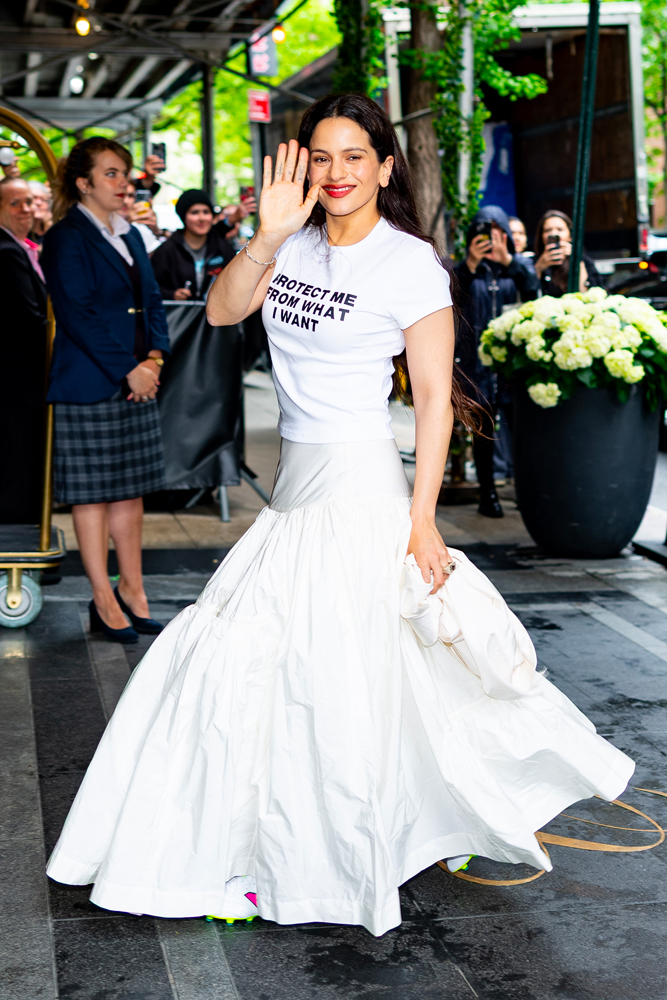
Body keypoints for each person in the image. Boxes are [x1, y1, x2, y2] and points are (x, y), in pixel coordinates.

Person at [46, 95, 633, 937]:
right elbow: (219, 314)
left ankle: (360, 840)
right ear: (302, 166)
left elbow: (432, 400)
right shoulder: (291, 245)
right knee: (274, 666)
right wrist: (267, 236)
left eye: (355, 156)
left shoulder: (408, 265)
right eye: (321, 156)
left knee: (337, 673)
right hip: (295, 490)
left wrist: (423, 518)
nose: (337, 173)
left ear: (385, 167)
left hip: (360, 485)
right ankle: (318, 829)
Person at [42, 136, 171, 644]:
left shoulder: (132, 235)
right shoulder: (65, 237)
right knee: (92, 499)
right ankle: (102, 599)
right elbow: (78, 315)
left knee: (129, 495)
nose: (125, 183)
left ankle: (134, 592)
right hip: (90, 382)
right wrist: (129, 370)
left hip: (137, 376)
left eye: (126, 173)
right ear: (84, 183)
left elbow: (154, 300)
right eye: (113, 174)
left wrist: (156, 356)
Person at [455, 205, 539, 517]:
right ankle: (487, 493)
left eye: (495, 233)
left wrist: (509, 261)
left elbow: (535, 296)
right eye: (482, 232)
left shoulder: (517, 269)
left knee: (520, 429)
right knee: (483, 430)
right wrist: (471, 264)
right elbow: (453, 302)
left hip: (511, 366)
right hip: (475, 365)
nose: (489, 239)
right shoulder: (464, 270)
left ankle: (524, 490)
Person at [0, 177, 48, 523]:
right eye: (15, 203)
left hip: (20, 382)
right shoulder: (6, 252)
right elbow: (31, 321)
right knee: (18, 468)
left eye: (29, 202)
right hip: (15, 383)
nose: (25, 210)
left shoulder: (21, 247)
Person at [150, 188, 235, 300]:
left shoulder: (222, 247)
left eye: (206, 212)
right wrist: (172, 294)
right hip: (179, 315)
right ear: (183, 217)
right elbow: (151, 287)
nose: (201, 218)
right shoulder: (167, 250)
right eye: (194, 212)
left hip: (215, 315)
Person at [534, 209, 602, 296]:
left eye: (560, 229)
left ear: (570, 235)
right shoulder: (533, 262)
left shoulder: (584, 261)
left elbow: (591, 296)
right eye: (548, 230)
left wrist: (576, 260)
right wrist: (538, 268)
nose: (554, 233)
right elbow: (529, 296)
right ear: (541, 236)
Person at [120, 179, 165, 254]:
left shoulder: (140, 226)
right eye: (121, 195)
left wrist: (156, 231)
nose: (126, 201)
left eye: (130, 195)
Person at [27, 180, 53, 247]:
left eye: (43, 200)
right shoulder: (17, 233)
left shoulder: (54, 230)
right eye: (34, 198)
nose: (39, 203)